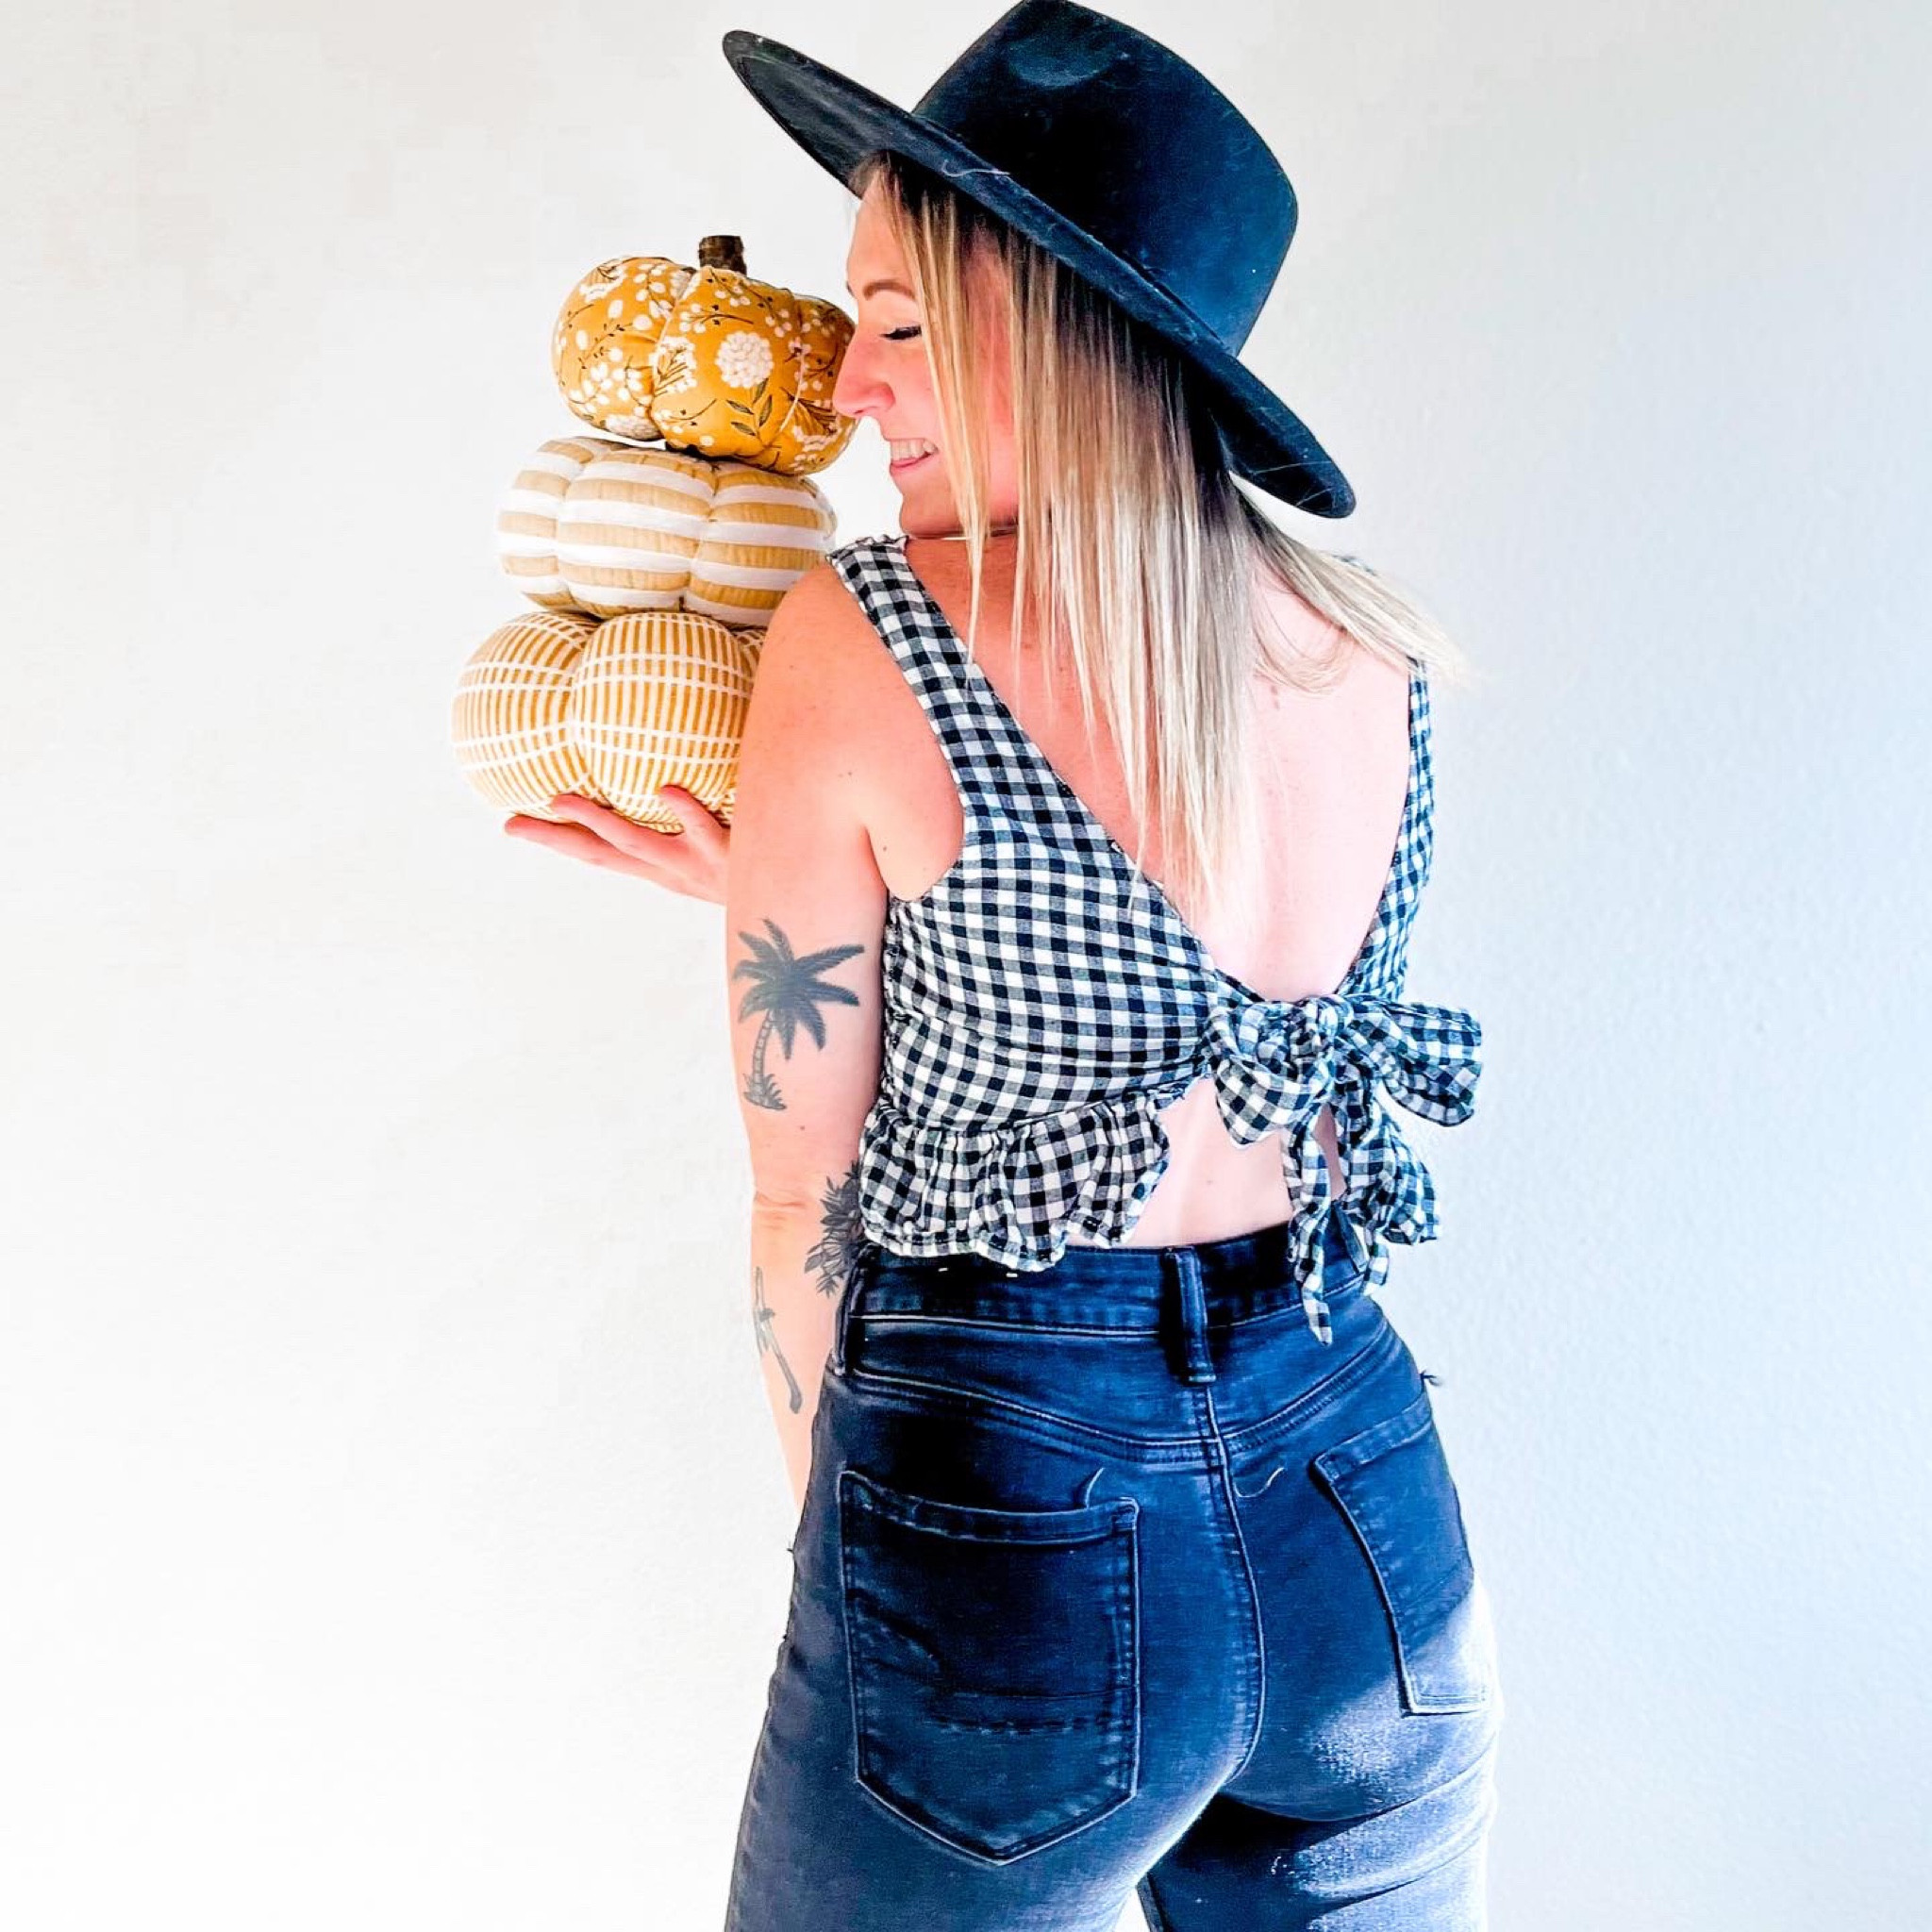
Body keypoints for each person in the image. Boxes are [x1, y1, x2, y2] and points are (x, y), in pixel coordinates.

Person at [514, 5, 1503, 1924]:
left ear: (1051, 326)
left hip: (1016, 1526)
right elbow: (1182, 1019)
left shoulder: (867, 631)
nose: (845, 386)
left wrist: (860, 1570)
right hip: (1361, 1515)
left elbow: (798, 1200)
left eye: (893, 322)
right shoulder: (1365, 643)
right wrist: (791, 890)